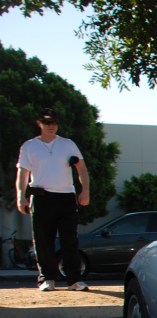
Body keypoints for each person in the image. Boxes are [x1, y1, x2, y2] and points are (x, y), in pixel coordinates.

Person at [15, 108, 91, 292]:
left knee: (70, 239)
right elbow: (23, 173)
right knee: (43, 240)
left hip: (66, 196)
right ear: (39, 123)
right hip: (42, 196)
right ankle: (47, 278)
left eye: (54, 122)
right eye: (47, 122)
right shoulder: (29, 146)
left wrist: (85, 191)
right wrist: (20, 196)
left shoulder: (68, 144)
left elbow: (81, 169)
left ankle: (74, 279)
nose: (51, 126)